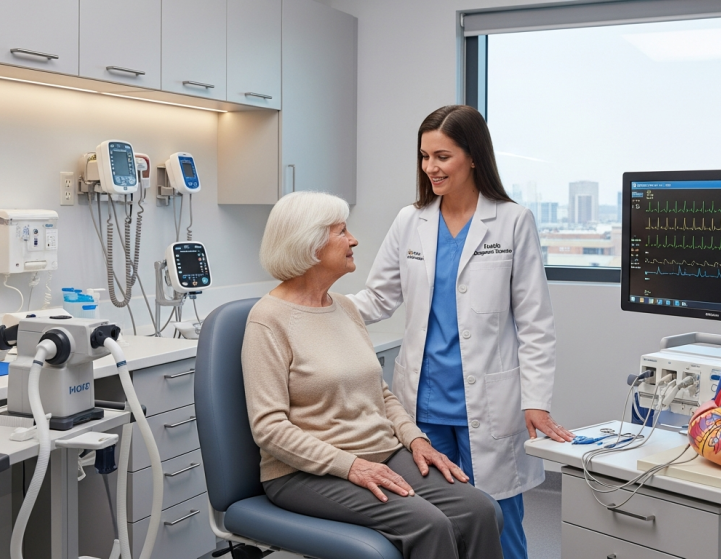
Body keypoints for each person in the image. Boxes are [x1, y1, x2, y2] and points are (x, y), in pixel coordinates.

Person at [348, 105, 574, 559]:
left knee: (499, 518)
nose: (430, 167)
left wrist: (535, 399)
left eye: (442, 156)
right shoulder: (410, 220)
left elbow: (535, 322)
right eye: (424, 156)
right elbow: (377, 298)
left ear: (473, 157)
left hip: (490, 403)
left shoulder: (512, 221)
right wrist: (311, 305)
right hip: (424, 405)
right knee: (435, 518)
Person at [241, 191, 503, 559]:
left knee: (480, 510)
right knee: (429, 525)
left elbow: (379, 394)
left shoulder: (345, 308)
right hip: (302, 473)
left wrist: (415, 440)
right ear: (310, 244)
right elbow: (269, 428)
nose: (353, 240)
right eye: (341, 232)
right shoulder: (267, 321)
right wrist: (351, 466)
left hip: (382, 453)